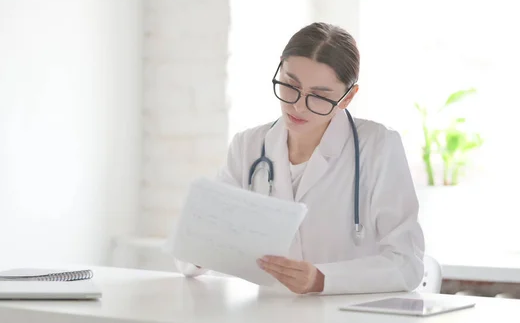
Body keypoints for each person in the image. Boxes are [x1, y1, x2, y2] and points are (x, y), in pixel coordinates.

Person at [175, 22, 425, 295]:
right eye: (290, 85)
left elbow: (407, 264)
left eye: (318, 96)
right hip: (270, 312)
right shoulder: (248, 146)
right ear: (280, 68)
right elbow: (191, 252)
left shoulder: (377, 146)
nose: (297, 105)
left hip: (350, 313)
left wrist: (322, 279)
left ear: (347, 97)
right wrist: (201, 247)